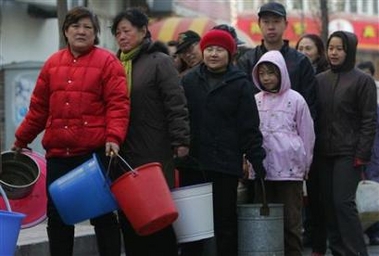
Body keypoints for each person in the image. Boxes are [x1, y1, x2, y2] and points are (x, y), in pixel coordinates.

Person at [11, 6, 130, 256]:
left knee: (102, 213)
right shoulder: (53, 63)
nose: (81, 31)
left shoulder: (108, 61)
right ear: (66, 31)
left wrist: (113, 137)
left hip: (92, 153)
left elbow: (118, 104)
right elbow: (38, 109)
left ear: (95, 33)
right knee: (57, 217)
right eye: (76, 26)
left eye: (88, 27)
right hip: (58, 154)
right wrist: (22, 139)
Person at [110, 8, 190, 256]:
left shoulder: (159, 62)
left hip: (153, 151)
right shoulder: (114, 64)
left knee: (156, 215)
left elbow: (176, 103)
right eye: (117, 32)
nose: (122, 36)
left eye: (127, 30)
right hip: (122, 152)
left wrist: (181, 140)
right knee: (129, 215)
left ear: (143, 31)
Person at [179, 29, 266, 256]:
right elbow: (179, 118)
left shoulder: (240, 84)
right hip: (192, 163)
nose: (213, 54)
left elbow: (249, 125)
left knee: (225, 222)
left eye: (219, 50)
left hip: (224, 164)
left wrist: (256, 158)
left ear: (230, 54)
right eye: (209, 49)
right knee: (192, 226)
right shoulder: (188, 81)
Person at [236, 1, 317, 205]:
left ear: (285, 24)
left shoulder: (300, 62)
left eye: (276, 21)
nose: (271, 26)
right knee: (261, 212)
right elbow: (240, 108)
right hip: (257, 151)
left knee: (291, 216)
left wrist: (302, 154)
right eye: (266, 22)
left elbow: (310, 110)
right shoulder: (247, 60)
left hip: (289, 157)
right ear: (259, 24)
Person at [314, 31, 377, 256]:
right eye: (331, 48)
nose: (334, 52)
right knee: (328, 205)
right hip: (323, 152)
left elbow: (369, 120)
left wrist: (362, 153)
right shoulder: (320, 79)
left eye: (339, 48)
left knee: (343, 203)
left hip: (349, 153)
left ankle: (357, 252)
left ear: (348, 50)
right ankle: (339, 251)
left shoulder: (363, 81)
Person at [249, 50, 315, 256]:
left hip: (290, 170)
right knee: (264, 222)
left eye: (271, 73)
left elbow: (307, 134)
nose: (266, 78)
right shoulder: (255, 100)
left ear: (282, 73)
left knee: (291, 223)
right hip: (262, 170)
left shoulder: (296, 100)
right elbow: (249, 132)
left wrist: (306, 165)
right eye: (262, 73)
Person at [295, 33, 329, 254]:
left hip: (319, 140)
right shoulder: (293, 72)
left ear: (319, 51)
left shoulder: (324, 75)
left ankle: (318, 238)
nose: (304, 52)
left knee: (317, 194)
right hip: (294, 139)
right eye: (301, 48)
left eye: (309, 48)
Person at [357, 60, 379, 246]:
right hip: (360, 151)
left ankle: (375, 232)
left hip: (375, 152)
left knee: (373, 190)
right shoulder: (357, 96)